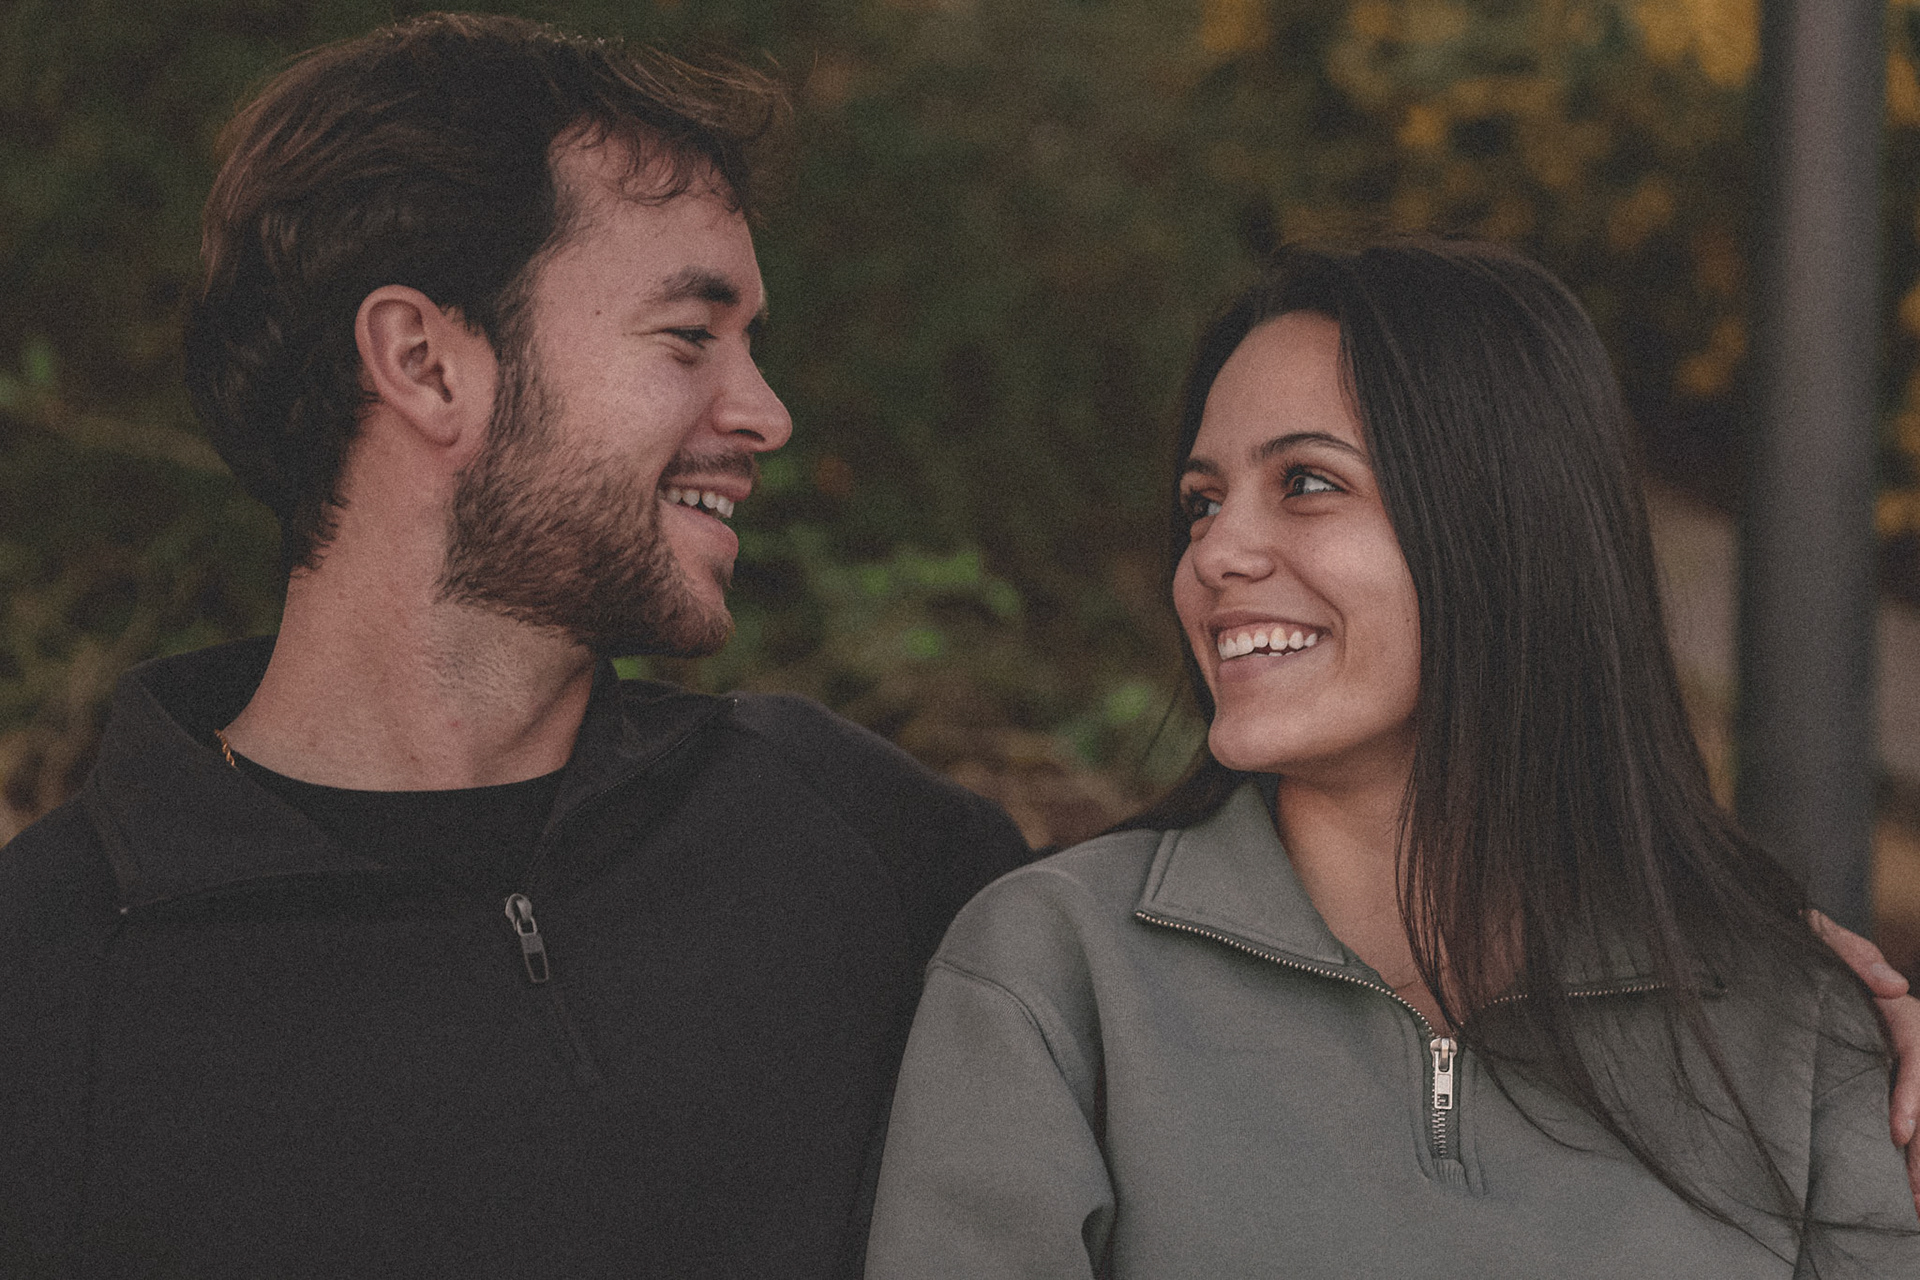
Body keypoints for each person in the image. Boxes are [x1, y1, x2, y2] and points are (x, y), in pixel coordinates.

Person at [0, 14, 1029, 1277]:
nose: (765, 412)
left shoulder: (864, 842)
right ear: (426, 363)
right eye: (688, 335)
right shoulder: (44, 979)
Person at [863, 239, 1920, 1278]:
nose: (1214, 552)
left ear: (1503, 520)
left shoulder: (1793, 1030)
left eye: (1306, 482)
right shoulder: (1056, 970)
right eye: (1201, 501)